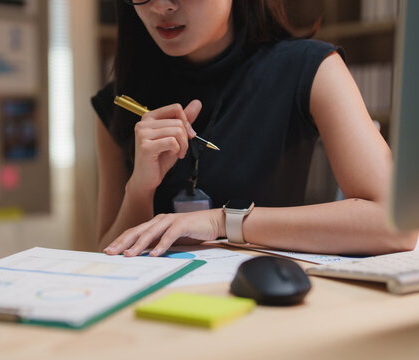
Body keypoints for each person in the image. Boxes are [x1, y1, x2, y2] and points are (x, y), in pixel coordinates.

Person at [91, 0, 418, 258]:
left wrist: (222, 221)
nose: (161, 6)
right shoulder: (121, 102)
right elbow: (103, 254)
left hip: (265, 313)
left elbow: (396, 224)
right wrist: (140, 190)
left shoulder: (311, 68)